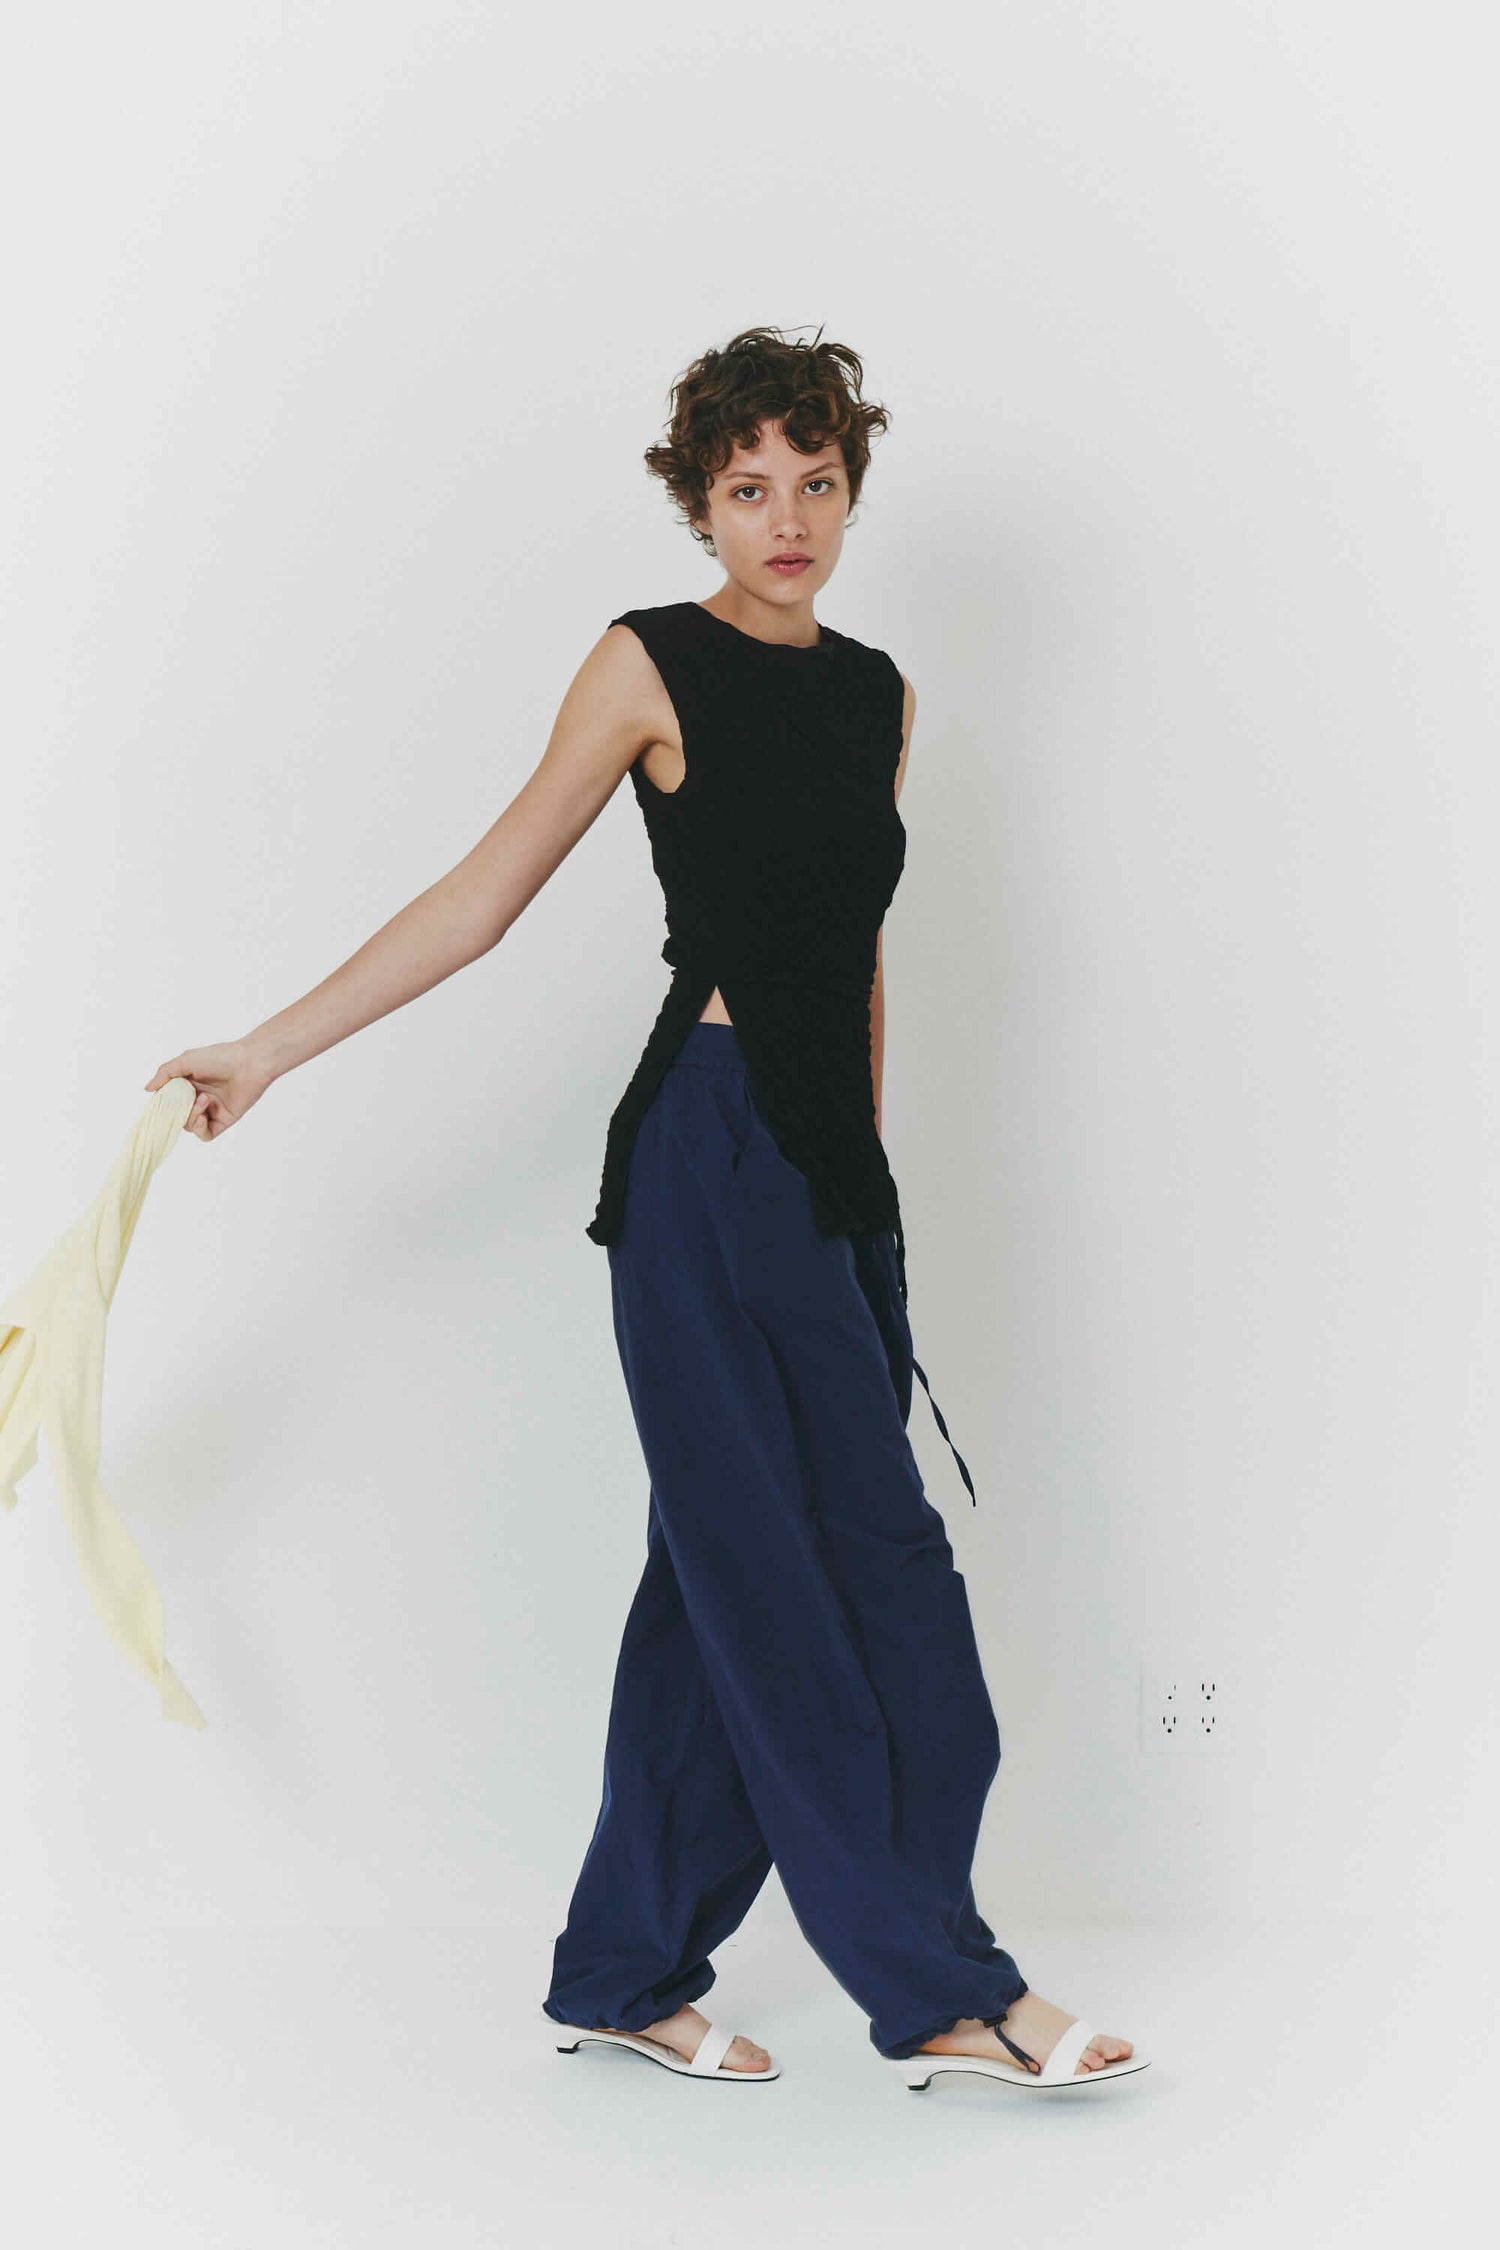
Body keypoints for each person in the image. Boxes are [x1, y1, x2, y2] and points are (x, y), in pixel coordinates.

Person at [145, 326, 1139, 2092]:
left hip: (828, 1177)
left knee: (759, 1583)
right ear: (700, 504)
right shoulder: (646, 663)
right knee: (806, 1585)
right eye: (749, 488)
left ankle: (621, 1972)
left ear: (852, 491)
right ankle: (941, 1989)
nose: (788, 519)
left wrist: (866, 1191)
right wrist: (269, 1049)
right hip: (701, 1159)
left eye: (817, 482)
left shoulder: (882, 694)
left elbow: (855, 953)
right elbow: (480, 898)